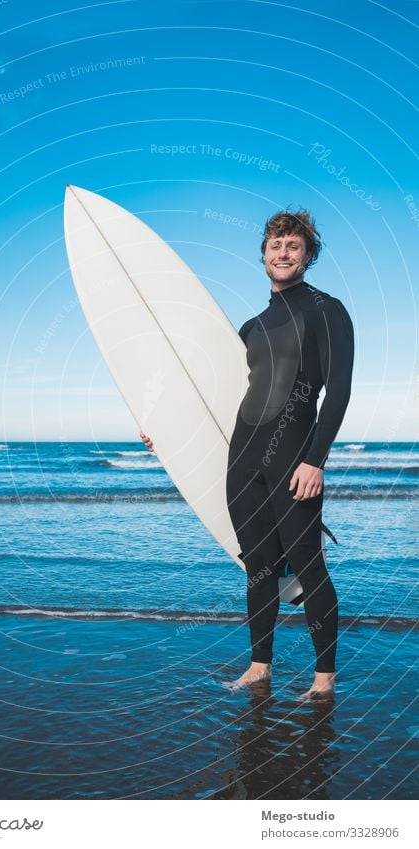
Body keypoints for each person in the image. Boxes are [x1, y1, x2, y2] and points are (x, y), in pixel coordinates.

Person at [140, 210, 354, 699]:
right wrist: (167, 434)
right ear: (263, 255)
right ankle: (260, 667)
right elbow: (217, 399)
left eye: (293, 246)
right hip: (243, 459)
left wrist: (314, 460)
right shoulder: (251, 327)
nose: (283, 253)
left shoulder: (326, 309)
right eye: (276, 245)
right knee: (257, 565)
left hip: (294, 456)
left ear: (307, 255)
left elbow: (338, 391)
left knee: (308, 562)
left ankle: (324, 680)